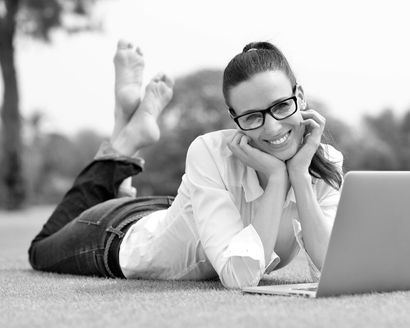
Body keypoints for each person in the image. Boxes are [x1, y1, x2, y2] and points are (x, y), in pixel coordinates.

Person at [28, 40, 344, 289]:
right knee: (40, 250)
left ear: (299, 97)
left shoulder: (323, 162)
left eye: (280, 106)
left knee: (122, 202)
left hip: (169, 212)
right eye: (253, 116)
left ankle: (125, 126)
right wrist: (276, 179)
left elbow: (333, 266)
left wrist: (299, 177)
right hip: (118, 236)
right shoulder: (209, 152)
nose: (272, 127)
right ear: (234, 119)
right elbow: (240, 277)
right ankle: (124, 140)